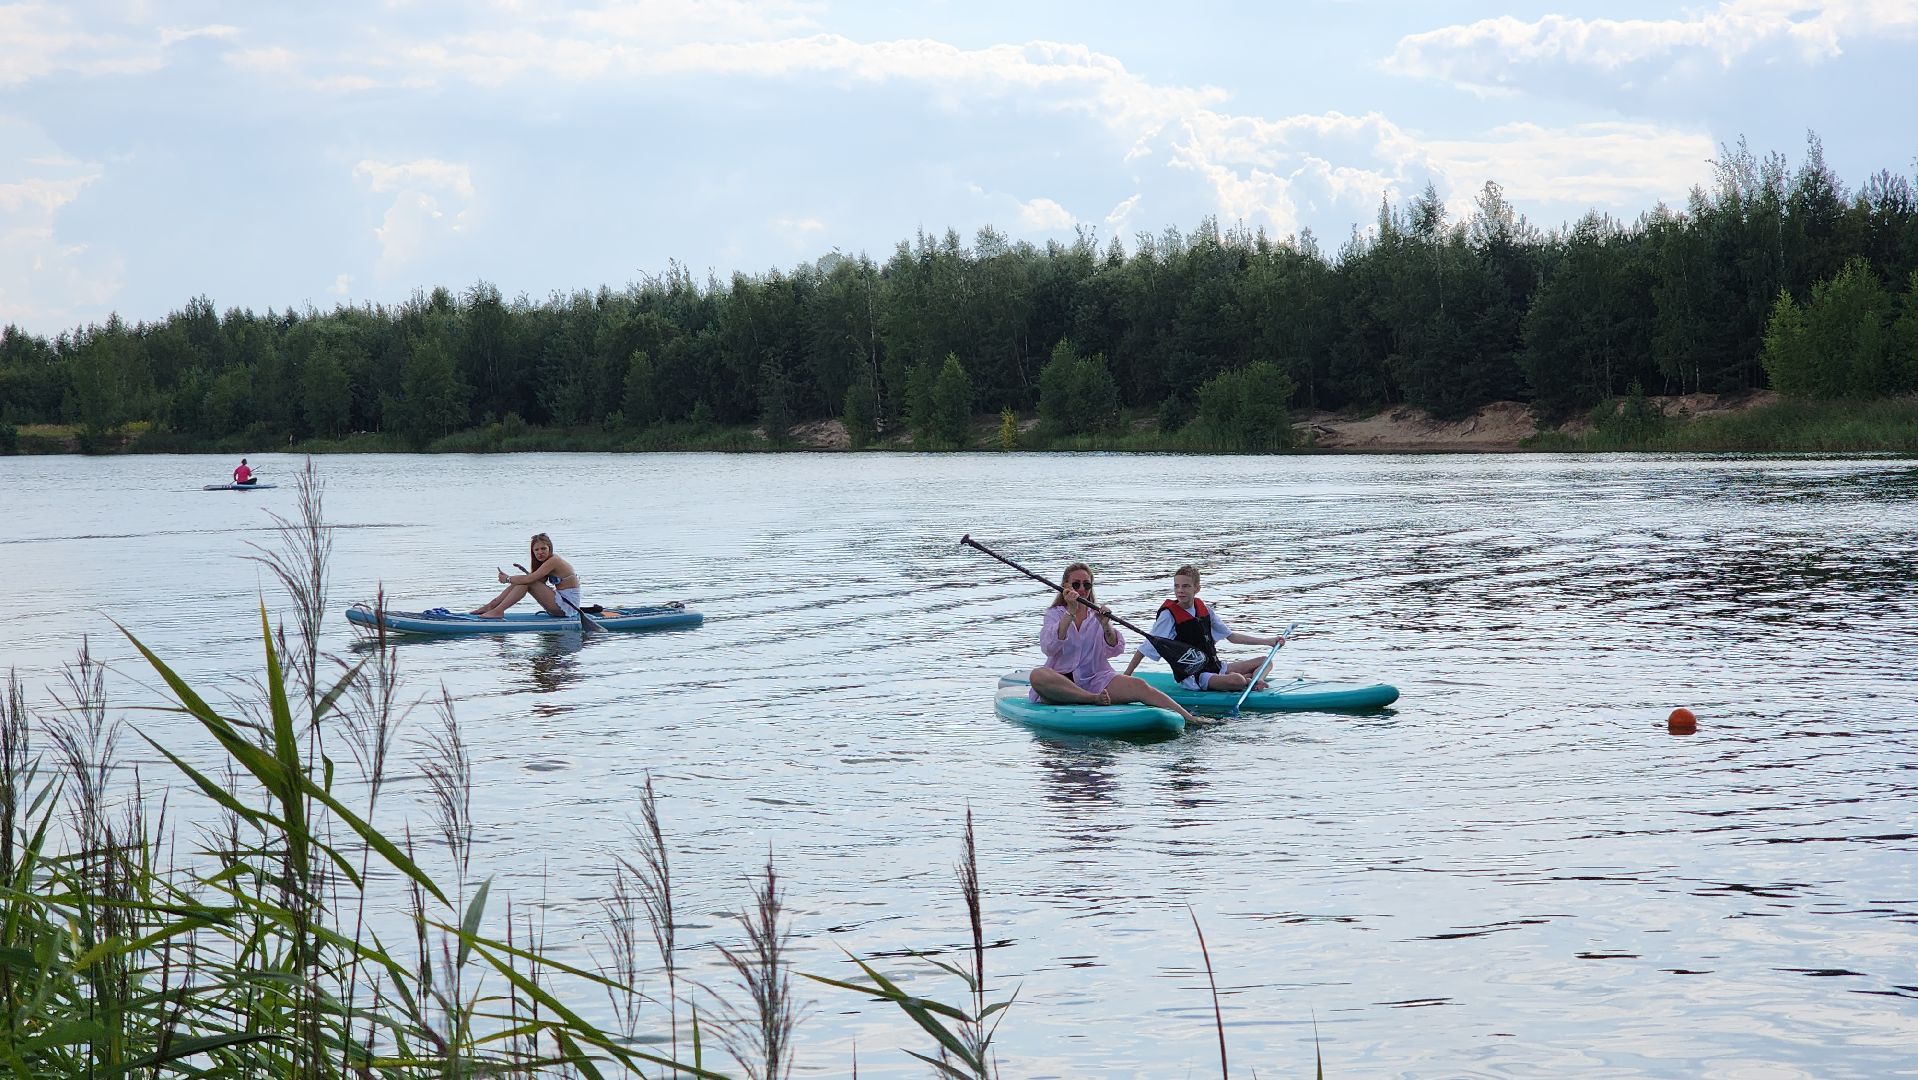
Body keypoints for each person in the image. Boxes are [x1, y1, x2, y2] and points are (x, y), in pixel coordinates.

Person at [1028, 562, 1204, 725]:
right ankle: (1090, 699)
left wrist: (1106, 626)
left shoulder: (1097, 614)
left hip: (1095, 679)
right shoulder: (1054, 614)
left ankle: (1189, 718)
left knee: (1139, 685)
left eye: (1086, 585)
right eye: (1076, 584)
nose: (1082, 589)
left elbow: (1116, 649)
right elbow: (1049, 648)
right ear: (1066, 586)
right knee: (1037, 675)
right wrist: (1070, 613)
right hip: (1061, 681)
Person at [1122, 564, 1285, 692]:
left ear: (1196, 588)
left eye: (1185, 586)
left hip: (1215, 666)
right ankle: (1248, 681)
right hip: (1195, 676)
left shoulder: (1204, 609)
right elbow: (1146, 647)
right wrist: (1126, 677)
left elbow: (1231, 636)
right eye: (1176, 586)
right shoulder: (1169, 615)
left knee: (1265, 661)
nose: (1180, 591)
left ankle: (1256, 681)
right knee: (1237, 680)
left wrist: (1268, 641)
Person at [471, 532, 584, 619]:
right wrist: (525, 573)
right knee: (525, 582)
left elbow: (530, 580)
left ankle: (498, 610)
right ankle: (492, 606)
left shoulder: (554, 560)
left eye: (543, 548)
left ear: (550, 548)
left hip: (568, 607)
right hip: (560, 602)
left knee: (526, 582)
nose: (540, 552)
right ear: (533, 552)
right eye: (536, 550)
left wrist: (507, 579)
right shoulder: (545, 563)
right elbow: (539, 583)